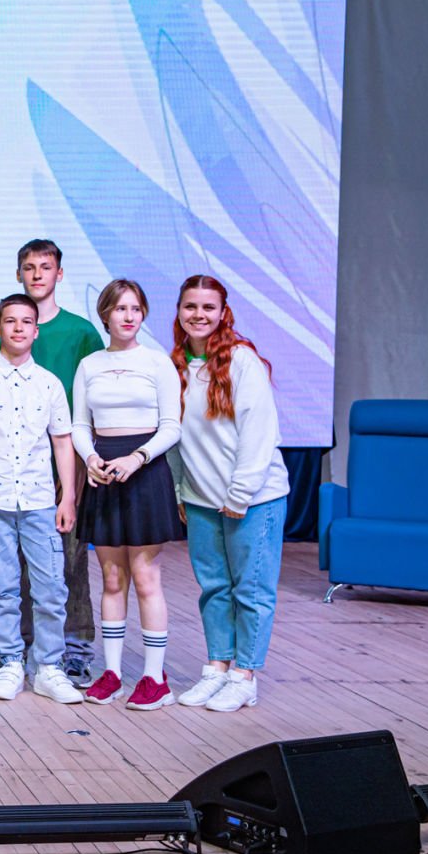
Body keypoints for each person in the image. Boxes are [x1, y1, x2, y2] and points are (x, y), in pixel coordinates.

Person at [0, 294, 85, 705]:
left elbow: (62, 442)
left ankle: (49, 667)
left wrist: (68, 497)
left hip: (39, 501)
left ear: (36, 331)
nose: (18, 328)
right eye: (10, 321)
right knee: (3, 587)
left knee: (51, 588)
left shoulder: (49, 383)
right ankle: (10, 661)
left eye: (26, 322)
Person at [0, 239, 103, 684]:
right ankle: (19, 650)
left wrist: (80, 467)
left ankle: (74, 649)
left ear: (59, 274)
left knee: (67, 564)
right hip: (7, 474)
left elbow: (92, 400)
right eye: (29, 267)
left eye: (45, 267)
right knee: (13, 568)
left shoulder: (81, 333)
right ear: (19, 274)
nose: (37, 274)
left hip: (63, 468)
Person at [168, 275, 289, 714]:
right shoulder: (175, 366)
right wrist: (181, 491)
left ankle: (245, 676)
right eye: (190, 306)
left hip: (253, 500)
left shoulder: (242, 361)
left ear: (223, 313)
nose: (198, 315)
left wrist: (239, 495)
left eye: (208, 307)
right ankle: (218, 667)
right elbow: (174, 438)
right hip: (201, 500)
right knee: (214, 588)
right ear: (179, 311)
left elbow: (259, 434)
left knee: (250, 590)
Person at [72, 279, 186, 711]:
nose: (128, 316)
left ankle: (155, 678)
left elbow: (172, 426)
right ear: (105, 314)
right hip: (104, 472)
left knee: (145, 576)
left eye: (135, 308)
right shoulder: (90, 365)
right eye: (120, 308)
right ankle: (114, 673)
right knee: (111, 578)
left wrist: (137, 458)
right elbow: (80, 424)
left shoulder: (157, 362)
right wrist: (90, 458)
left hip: (145, 471)